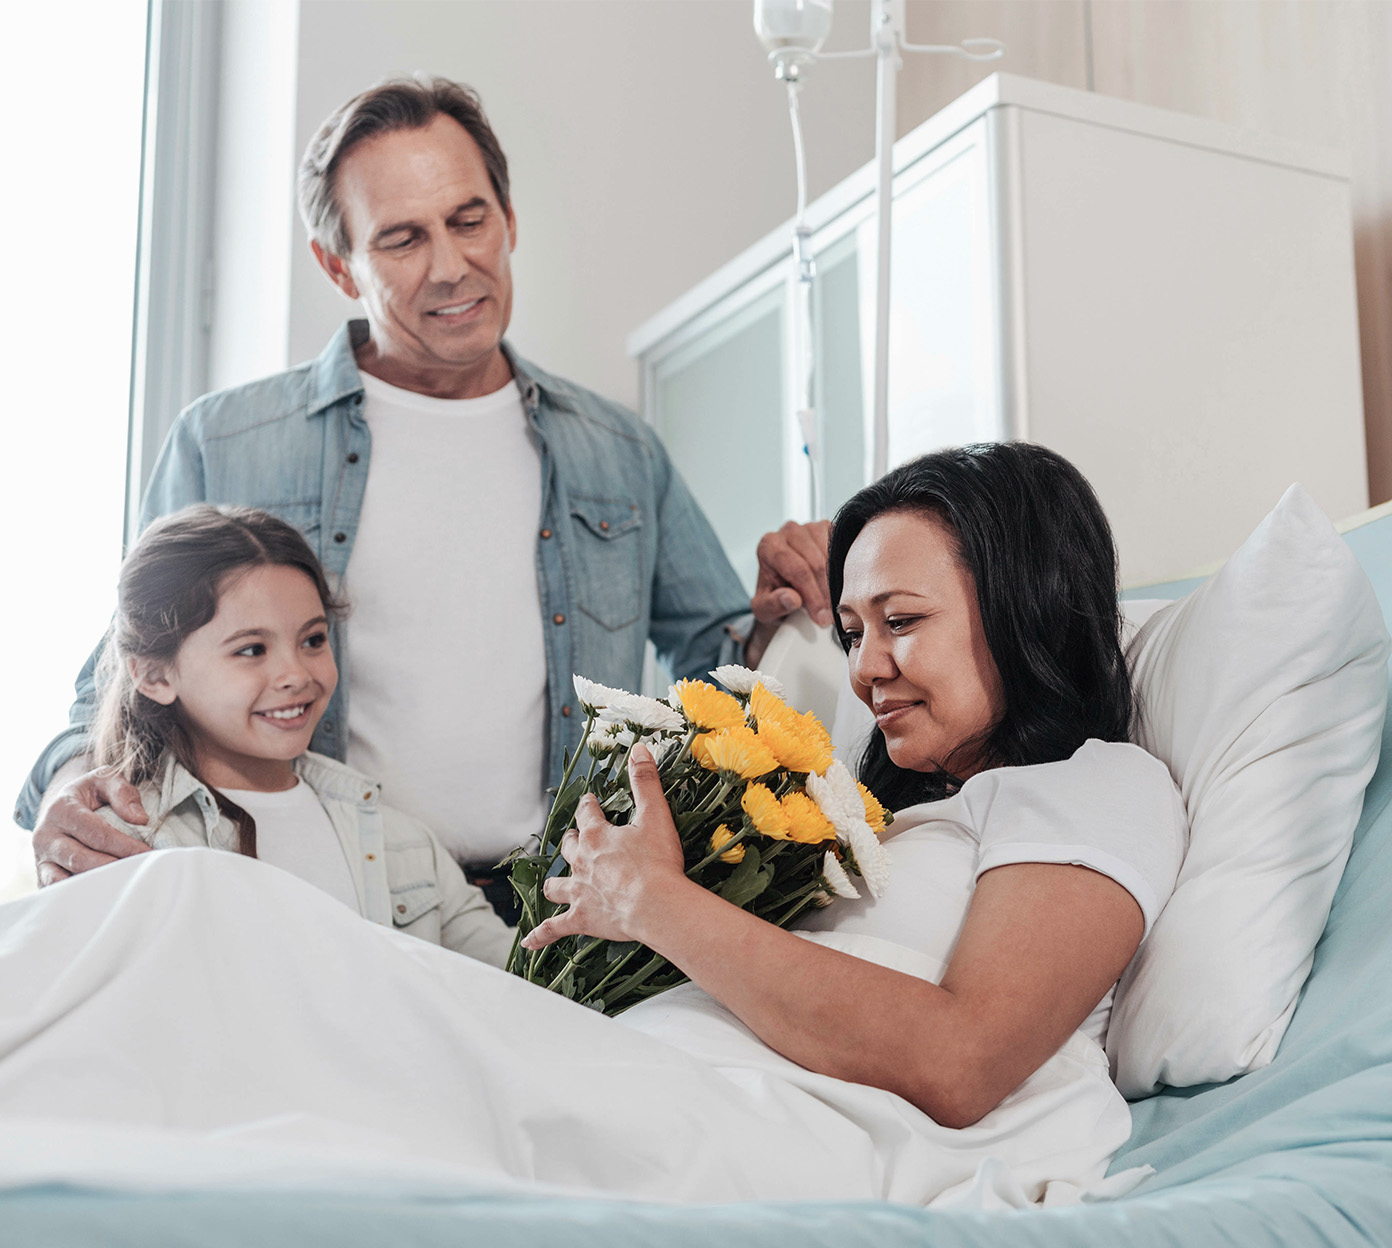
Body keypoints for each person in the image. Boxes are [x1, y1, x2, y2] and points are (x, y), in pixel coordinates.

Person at [0, 443, 1187, 1207]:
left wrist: (655, 903)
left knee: (205, 913)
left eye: (904, 621)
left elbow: (961, 1060)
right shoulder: (886, 821)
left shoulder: (1095, 784)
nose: (868, 667)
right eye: (855, 629)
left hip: (721, 1125)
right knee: (187, 924)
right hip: (621, 1064)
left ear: (1024, 604)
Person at [18, 76, 832, 906]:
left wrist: (779, 613)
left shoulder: (618, 449)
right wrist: (68, 787)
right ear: (338, 266)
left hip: (560, 905)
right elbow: (118, 682)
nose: (451, 267)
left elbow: (717, 672)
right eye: (402, 239)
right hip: (320, 899)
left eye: (469, 220)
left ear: (508, 221)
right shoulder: (229, 441)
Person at [88, 502, 512, 966]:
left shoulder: (403, 842)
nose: (295, 674)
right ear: (154, 676)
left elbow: (521, 984)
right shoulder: (122, 843)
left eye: (312, 640)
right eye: (252, 649)